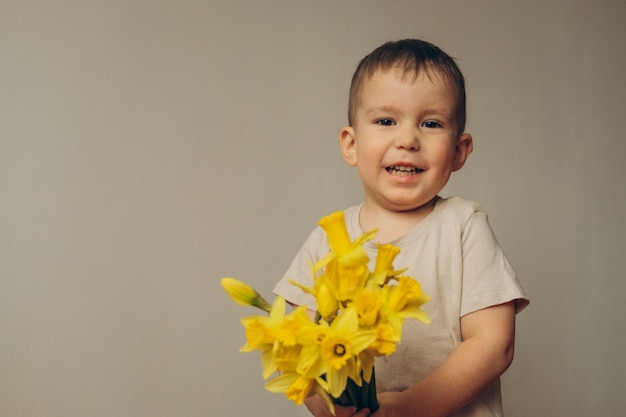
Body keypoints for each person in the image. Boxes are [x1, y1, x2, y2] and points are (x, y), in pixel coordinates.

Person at [273, 39, 529, 417]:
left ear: (459, 151)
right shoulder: (327, 240)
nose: (408, 140)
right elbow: (294, 351)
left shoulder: (464, 227)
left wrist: (411, 407)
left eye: (431, 123)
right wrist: (338, 411)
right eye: (386, 121)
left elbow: (494, 345)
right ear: (351, 144)